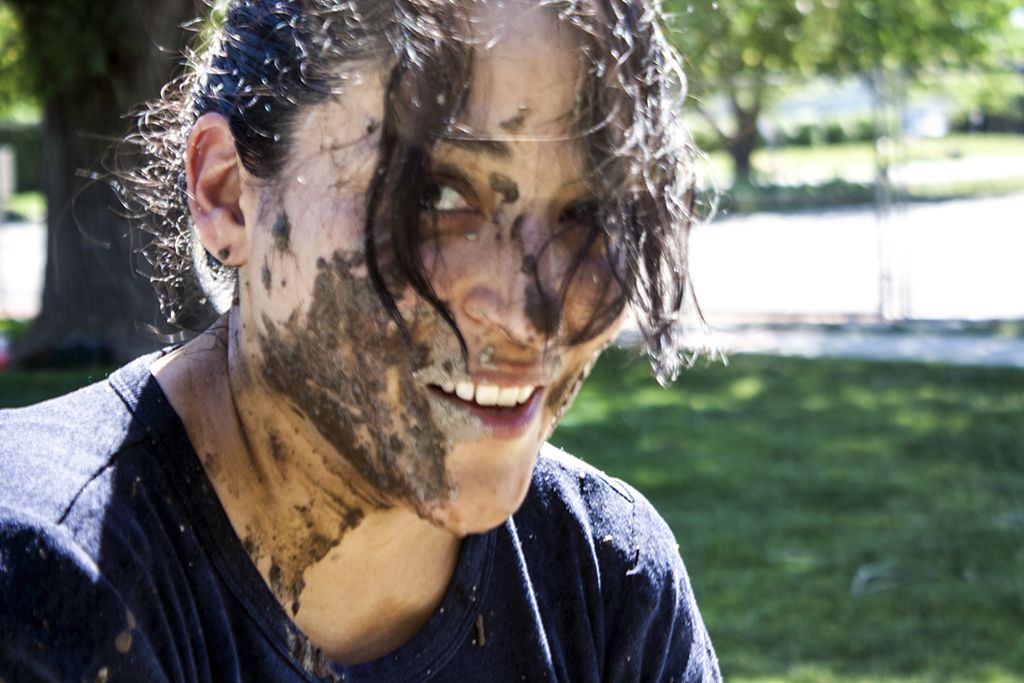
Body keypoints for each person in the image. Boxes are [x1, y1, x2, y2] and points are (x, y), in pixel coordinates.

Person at [0, 0, 721, 680]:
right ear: (225, 194)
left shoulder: (608, 584)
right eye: (437, 196)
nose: (530, 315)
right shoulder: (43, 581)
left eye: (588, 210)